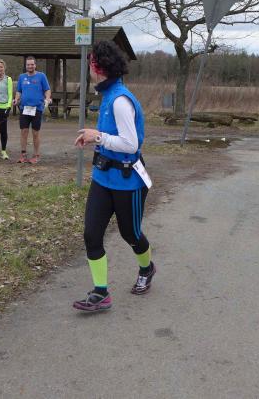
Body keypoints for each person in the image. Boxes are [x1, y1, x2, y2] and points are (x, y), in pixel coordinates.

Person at [72, 40, 154, 312]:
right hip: (103, 178)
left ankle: (147, 268)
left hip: (127, 181)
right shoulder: (107, 95)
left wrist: (98, 137)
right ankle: (101, 293)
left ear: (98, 67)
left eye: (90, 63)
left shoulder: (119, 100)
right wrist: (94, 138)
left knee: (131, 234)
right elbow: (109, 137)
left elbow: (130, 145)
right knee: (91, 235)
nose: (88, 68)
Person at [13, 56, 51, 164]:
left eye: (32, 64)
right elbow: (19, 91)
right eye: (28, 64)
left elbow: (47, 90)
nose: (30, 66)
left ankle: (36, 155)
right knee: (24, 132)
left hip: (37, 108)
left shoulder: (41, 76)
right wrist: (16, 99)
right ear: (26, 66)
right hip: (24, 108)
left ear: (35, 65)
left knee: (35, 133)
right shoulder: (22, 77)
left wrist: (47, 98)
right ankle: (23, 155)